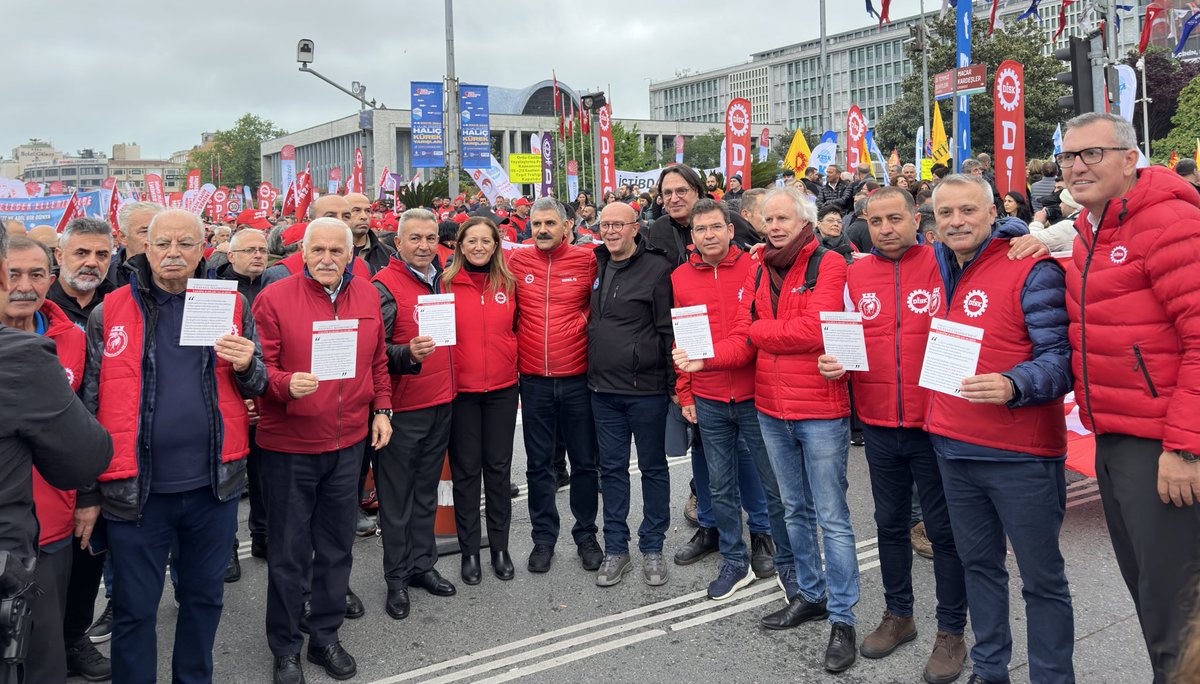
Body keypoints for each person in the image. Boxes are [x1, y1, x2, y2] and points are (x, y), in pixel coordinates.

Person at [675, 186, 860, 674]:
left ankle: (843, 619)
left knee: (833, 516)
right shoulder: (759, 268)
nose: (775, 226)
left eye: (784, 218)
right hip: (772, 408)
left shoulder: (828, 263)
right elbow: (741, 336)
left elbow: (816, 330)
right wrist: (706, 359)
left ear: (805, 221)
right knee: (794, 510)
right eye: (769, 219)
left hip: (820, 408)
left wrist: (762, 331)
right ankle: (810, 595)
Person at [82, 208, 267, 683]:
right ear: (145, 247)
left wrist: (248, 366)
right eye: (163, 243)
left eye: (185, 244)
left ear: (203, 248)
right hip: (135, 490)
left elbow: (258, 383)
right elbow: (87, 406)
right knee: (134, 610)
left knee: (204, 602)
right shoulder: (109, 312)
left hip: (212, 487)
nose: (173, 253)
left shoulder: (230, 305)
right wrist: (87, 493)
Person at [1059, 112, 1200, 683]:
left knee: (1177, 607)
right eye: (1069, 156)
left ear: (1129, 158)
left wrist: (1185, 447)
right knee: (1150, 592)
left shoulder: (1168, 223)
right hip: (1115, 437)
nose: (1076, 166)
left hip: (1162, 444)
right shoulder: (1091, 230)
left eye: (1091, 154)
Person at [817, 188, 969, 684]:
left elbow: (992, 238)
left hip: (936, 423)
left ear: (915, 219)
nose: (885, 228)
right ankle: (899, 614)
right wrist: (832, 364)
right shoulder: (855, 273)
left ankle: (951, 631)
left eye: (895, 218)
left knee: (944, 533)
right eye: (876, 220)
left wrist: (1018, 234)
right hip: (880, 422)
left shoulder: (944, 261)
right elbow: (842, 340)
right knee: (888, 524)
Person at [927, 174, 1075, 684]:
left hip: (1020, 453)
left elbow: (1061, 359)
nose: (956, 221)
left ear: (994, 213)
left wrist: (1015, 383)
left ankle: (1051, 678)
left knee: (1042, 580)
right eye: (945, 213)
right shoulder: (940, 265)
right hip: (953, 445)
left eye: (968, 210)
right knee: (980, 570)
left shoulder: (1030, 265)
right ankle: (990, 671)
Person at [252, 217, 394, 684]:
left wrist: (383, 409)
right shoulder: (274, 297)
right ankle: (286, 646)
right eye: (319, 251)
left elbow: (376, 362)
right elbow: (258, 369)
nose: (328, 259)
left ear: (351, 253)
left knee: (336, 548)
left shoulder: (367, 294)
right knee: (290, 553)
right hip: (290, 445)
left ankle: (325, 636)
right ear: (304, 253)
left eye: (338, 250)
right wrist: (284, 384)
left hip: (349, 442)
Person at [0, 224, 112, 684]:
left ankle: (73, 643)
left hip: (57, 515)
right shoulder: (18, 355)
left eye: (36, 274)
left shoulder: (72, 335)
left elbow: (89, 413)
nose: (24, 286)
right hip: (14, 530)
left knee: (46, 631)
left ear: (51, 278)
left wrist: (87, 495)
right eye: (13, 274)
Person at [670, 199, 787, 601]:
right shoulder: (680, 277)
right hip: (709, 397)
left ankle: (765, 541)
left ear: (731, 229)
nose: (709, 235)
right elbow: (683, 341)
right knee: (719, 485)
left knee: (769, 480)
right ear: (692, 236)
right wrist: (685, 391)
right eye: (700, 230)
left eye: (716, 227)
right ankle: (734, 560)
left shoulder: (755, 268)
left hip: (756, 393)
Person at [507, 198, 603, 575]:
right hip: (533, 381)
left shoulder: (588, 260)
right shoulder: (517, 262)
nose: (542, 230)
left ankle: (586, 536)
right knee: (538, 465)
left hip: (578, 378)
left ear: (567, 226)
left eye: (549, 223)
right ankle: (543, 539)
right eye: (536, 224)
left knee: (583, 464)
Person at [373, 209, 458, 620]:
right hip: (403, 411)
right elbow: (374, 353)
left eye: (429, 238)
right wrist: (406, 355)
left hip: (440, 401)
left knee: (425, 494)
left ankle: (423, 565)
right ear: (398, 242)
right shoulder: (384, 286)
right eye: (415, 239)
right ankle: (396, 577)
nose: (424, 245)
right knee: (396, 501)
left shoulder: (439, 278)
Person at [588, 201, 675, 588]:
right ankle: (616, 549)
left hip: (647, 391)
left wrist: (676, 387)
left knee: (653, 470)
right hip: (602, 391)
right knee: (612, 471)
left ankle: (653, 546)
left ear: (635, 228)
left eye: (617, 225)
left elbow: (668, 330)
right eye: (604, 224)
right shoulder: (596, 262)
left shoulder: (658, 269)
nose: (610, 231)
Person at [441, 216, 519, 585]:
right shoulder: (443, 284)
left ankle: (499, 548)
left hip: (503, 390)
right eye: (471, 240)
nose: (478, 247)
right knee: (467, 473)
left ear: (495, 245)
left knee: (499, 472)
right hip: (462, 394)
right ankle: (469, 550)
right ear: (459, 245)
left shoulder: (509, 283)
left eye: (485, 241)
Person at [107, 201, 162, 287]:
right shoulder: (105, 276)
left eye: (161, 231)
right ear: (123, 237)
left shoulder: (183, 275)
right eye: (145, 231)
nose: (157, 238)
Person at [345, 193, 397, 274]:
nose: (364, 216)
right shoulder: (329, 252)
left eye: (367, 211)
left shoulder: (388, 253)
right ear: (343, 215)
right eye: (356, 210)